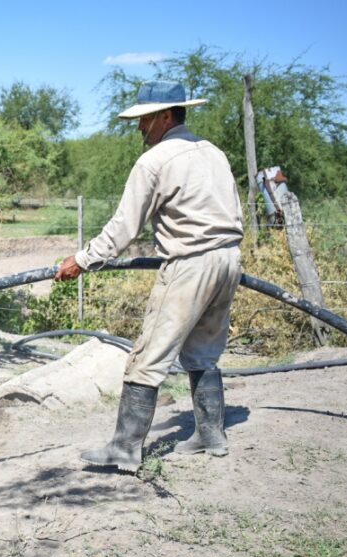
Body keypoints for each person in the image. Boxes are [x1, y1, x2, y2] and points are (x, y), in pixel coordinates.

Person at [54, 80, 244, 472]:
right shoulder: (213, 153)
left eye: (143, 120)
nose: (140, 128)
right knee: (205, 349)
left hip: (190, 263)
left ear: (163, 116)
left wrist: (82, 260)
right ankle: (212, 434)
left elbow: (124, 228)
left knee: (148, 356)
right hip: (228, 260)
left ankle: (125, 448)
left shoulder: (155, 161)